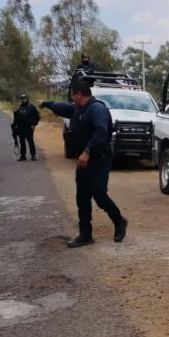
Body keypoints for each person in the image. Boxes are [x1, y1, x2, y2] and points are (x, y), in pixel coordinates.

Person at [40, 80, 128, 248]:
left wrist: (87, 151)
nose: (72, 99)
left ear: (79, 94)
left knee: (99, 195)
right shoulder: (78, 108)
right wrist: (47, 104)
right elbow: (63, 107)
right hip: (83, 160)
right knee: (82, 197)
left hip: (98, 159)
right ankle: (85, 234)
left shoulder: (97, 109)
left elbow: (101, 132)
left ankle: (119, 221)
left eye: (73, 95)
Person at [11, 94, 40, 161]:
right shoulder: (18, 107)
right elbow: (16, 118)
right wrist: (14, 126)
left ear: (27, 99)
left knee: (30, 141)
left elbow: (37, 117)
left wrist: (34, 124)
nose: (23, 100)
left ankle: (33, 155)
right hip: (20, 127)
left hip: (29, 127)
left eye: (24, 98)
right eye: (22, 99)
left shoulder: (32, 107)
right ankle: (23, 156)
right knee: (22, 142)